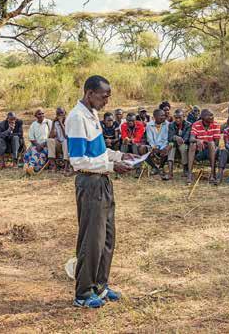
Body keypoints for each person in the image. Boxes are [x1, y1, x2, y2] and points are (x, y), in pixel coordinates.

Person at [66, 75, 136, 308]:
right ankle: (83, 293)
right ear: (89, 94)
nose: (107, 101)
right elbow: (77, 160)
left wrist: (119, 156)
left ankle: (100, 286)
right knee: (91, 240)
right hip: (90, 183)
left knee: (107, 237)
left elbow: (98, 150)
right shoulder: (76, 117)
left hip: (103, 181)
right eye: (104, 96)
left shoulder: (91, 114)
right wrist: (111, 166)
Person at [187, 109, 221, 184]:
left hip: (212, 150)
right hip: (200, 150)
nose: (212, 117)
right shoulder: (196, 124)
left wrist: (203, 141)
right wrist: (198, 141)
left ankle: (212, 174)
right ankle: (189, 174)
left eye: (212, 115)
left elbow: (216, 143)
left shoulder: (216, 125)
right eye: (210, 115)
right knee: (192, 145)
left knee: (211, 143)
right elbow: (191, 139)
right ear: (203, 117)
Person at [24, 109, 53, 173]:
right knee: (29, 153)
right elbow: (31, 138)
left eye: (43, 113)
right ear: (35, 116)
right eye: (39, 114)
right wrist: (38, 145)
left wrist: (43, 145)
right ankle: (28, 166)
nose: (41, 115)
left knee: (40, 154)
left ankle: (32, 166)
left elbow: (52, 135)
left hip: (46, 145)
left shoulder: (48, 122)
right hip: (35, 144)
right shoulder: (33, 125)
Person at [145, 109, 171, 178]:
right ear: (155, 117)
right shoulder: (149, 125)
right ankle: (154, 167)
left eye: (164, 115)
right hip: (152, 146)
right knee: (141, 149)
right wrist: (154, 147)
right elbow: (149, 139)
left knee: (166, 150)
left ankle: (161, 167)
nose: (163, 117)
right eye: (161, 115)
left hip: (163, 146)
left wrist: (159, 147)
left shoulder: (167, 124)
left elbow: (166, 139)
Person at [167, 109, 191, 180]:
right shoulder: (171, 125)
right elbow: (170, 137)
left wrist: (181, 140)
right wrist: (176, 137)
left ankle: (185, 169)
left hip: (184, 143)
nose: (177, 119)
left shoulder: (188, 125)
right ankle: (170, 172)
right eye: (176, 118)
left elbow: (186, 137)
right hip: (174, 143)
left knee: (183, 147)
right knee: (171, 146)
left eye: (179, 117)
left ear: (183, 117)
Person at [48, 108, 70, 173]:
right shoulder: (55, 122)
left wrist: (60, 123)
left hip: (68, 143)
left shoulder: (68, 121)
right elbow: (51, 136)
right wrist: (53, 123)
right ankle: (54, 166)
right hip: (59, 143)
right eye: (58, 113)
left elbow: (66, 136)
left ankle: (66, 167)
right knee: (50, 140)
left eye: (61, 113)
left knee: (65, 142)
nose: (60, 115)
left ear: (65, 113)